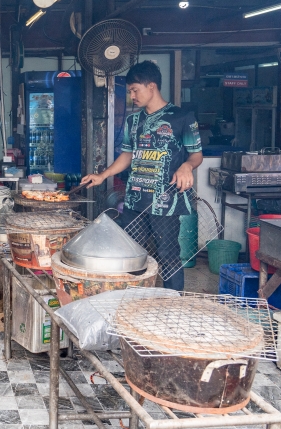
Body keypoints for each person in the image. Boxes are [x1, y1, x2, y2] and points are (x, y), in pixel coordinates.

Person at [82, 60, 202, 291]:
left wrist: (187, 166)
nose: (132, 96)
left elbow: (196, 155)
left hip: (165, 203)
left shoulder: (182, 117)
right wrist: (102, 175)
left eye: (135, 90)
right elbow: (127, 155)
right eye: (130, 91)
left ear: (152, 86)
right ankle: (132, 301)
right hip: (135, 200)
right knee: (131, 254)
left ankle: (172, 306)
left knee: (167, 255)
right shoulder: (133, 121)